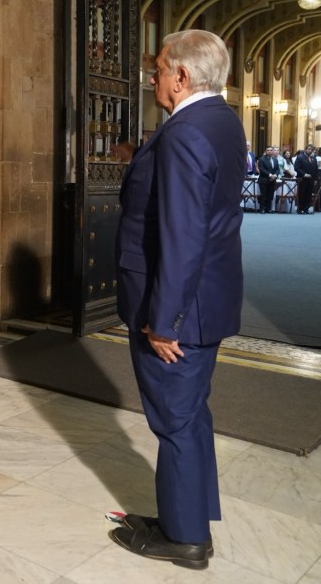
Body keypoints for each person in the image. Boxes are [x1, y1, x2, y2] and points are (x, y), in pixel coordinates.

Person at [111, 30, 244, 570]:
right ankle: (185, 515)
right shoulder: (221, 120)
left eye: (160, 69)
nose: (154, 78)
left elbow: (183, 234)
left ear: (182, 76)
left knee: (176, 421)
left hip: (178, 310)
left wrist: (165, 321)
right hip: (206, 298)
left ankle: (186, 539)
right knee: (190, 416)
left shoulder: (185, 132)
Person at [294, 144, 318, 214]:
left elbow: (316, 169)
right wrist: (304, 174)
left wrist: (315, 179)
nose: (310, 151)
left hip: (311, 179)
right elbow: (297, 168)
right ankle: (300, 209)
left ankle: (306, 208)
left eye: (311, 150)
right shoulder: (300, 157)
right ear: (305, 149)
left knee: (309, 194)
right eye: (309, 149)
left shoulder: (313, 158)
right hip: (302, 179)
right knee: (302, 194)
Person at [256, 145, 280, 213]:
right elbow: (261, 169)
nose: (269, 151)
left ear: (273, 151)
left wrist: (275, 175)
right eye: (268, 150)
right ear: (265, 151)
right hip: (264, 180)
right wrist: (270, 175)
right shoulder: (262, 159)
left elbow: (277, 169)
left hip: (273, 180)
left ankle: (268, 209)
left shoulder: (275, 160)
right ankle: (262, 209)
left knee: (270, 195)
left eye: (271, 150)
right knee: (263, 195)